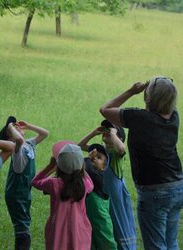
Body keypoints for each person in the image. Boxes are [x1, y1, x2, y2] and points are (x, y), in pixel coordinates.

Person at [100, 76, 183, 250]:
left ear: (148, 97)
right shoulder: (174, 116)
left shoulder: (139, 117)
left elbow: (105, 109)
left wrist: (132, 91)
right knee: (171, 242)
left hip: (154, 192)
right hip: (177, 187)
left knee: (156, 246)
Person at [0, 116, 49, 250]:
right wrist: (9, 126)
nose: (17, 128)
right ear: (10, 139)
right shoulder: (17, 149)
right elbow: (19, 140)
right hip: (16, 194)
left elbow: (45, 133)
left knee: (24, 223)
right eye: (14, 129)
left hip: (24, 191)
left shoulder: (29, 144)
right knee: (22, 228)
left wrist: (29, 126)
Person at [32, 142, 94, 250]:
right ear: (81, 167)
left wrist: (50, 166)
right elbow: (91, 185)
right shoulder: (85, 184)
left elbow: (35, 182)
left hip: (57, 231)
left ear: (58, 165)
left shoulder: (54, 184)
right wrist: (82, 169)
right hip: (80, 231)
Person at [100, 120, 136, 250]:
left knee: (121, 228)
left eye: (110, 131)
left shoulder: (116, 155)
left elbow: (121, 148)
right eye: (106, 130)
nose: (107, 132)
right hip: (105, 200)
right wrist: (94, 133)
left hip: (117, 201)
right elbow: (81, 145)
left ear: (119, 137)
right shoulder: (101, 153)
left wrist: (114, 133)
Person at [78, 131, 117, 250]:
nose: (94, 158)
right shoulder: (88, 168)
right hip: (88, 218)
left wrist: (90, 158)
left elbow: (88, 167)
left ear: (104, 166)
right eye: (93, 156)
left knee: (106, 241)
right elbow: (78, 148)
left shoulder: (99, 174)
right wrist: (94, 133)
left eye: (99, 158)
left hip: (101, 219)